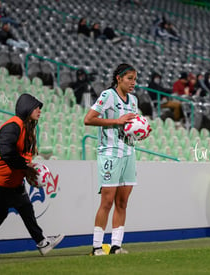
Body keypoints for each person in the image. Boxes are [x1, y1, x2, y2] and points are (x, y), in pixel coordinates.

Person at [0, 93, 64, 259]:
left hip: (10, 178)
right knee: (1, 213)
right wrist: (25, 167)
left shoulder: (26, 128)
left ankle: (41, 242)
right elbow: (7, 153)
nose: (39, 111)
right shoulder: (13, 126)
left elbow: (18, 155)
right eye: (36, 107)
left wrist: (27, 167)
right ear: (26, 108)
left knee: (21, 207)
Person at [84, 63, 139, 256]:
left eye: (135, 79)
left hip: (129, 153)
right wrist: (117, 121)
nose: (133, 82)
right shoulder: (108, 96)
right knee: (107, 201)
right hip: (110, 153)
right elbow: (88, 119)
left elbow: (131, 127)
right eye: (129, 78)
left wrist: (140, 132)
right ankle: (97, 247)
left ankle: (116, 245)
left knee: (122, 202)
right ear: (119, 78)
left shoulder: (133, 100)